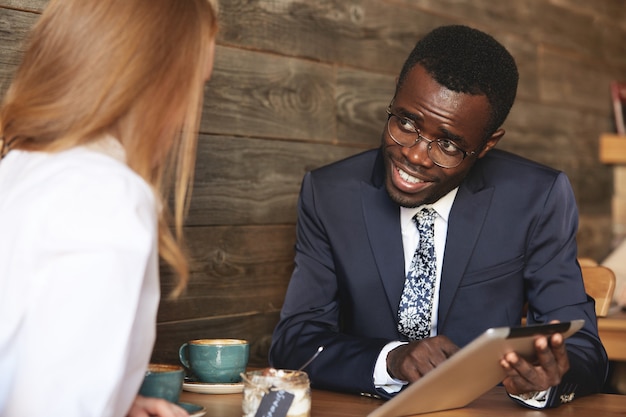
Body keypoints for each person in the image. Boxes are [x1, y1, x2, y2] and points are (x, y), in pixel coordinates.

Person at [269, 25, 608, 409]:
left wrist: (545, 379)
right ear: (396, 93)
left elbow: (584, 350)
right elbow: (295, 340)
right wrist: (391, 359)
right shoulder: (329, 194)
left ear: (486, 144)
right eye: (406, 123)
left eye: (447, 144)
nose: (414, 155)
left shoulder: (536, 198)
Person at [0, 0, 218, 416]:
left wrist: (117, 404)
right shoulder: (105, 196)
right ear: (155, 82)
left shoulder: (17, 169)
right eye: (195, 84)